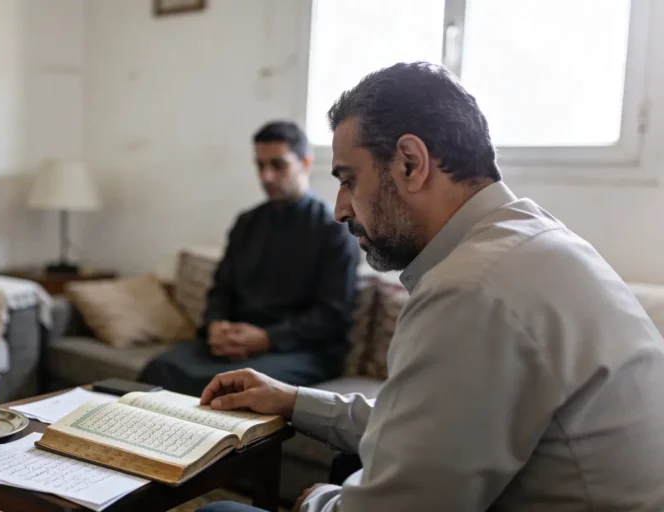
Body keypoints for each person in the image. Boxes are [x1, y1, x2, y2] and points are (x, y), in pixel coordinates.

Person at [196, 63, 664, 511]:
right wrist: (293, 400)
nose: (341, 209)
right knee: (348, 461)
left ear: (410, 162)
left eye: (348, 180)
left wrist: (314, 501)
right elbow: (429, 424)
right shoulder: (534, 241)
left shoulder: (471, 289)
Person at [140, 121, 361, 396]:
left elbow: (332, 314)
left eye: (278, 165)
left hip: (299, 350)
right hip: (235, 344)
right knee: (158, 368)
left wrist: (267, 339)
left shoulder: (333, 229)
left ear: (305, 163)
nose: (266, 176)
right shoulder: (247, 223)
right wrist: (217, 327)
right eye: (260, 165)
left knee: (233, 386)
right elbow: (221, 291)